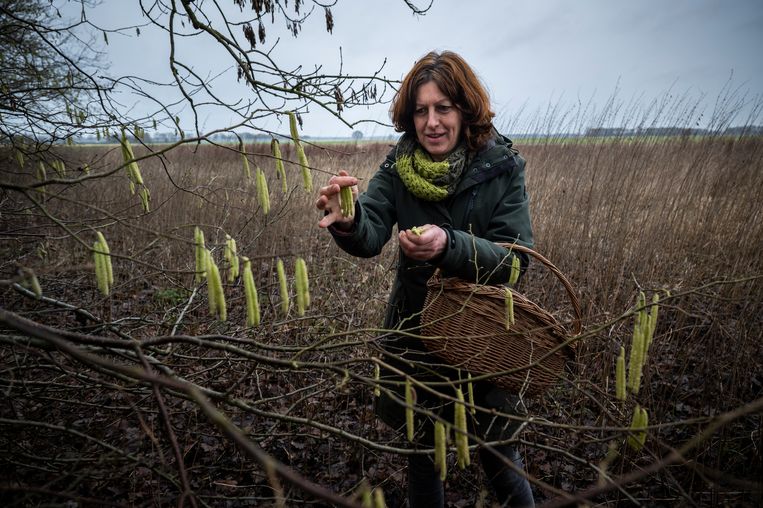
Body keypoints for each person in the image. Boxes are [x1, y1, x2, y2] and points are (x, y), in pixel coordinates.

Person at [316, 50, 535, 507]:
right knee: (423, 461)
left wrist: (449, 245)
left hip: (486, 343)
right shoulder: (399, 168)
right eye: (421, 110)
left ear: (465, 110)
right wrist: (346, 219)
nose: (431, 122)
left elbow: (515, 261)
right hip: (416, 341)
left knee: (501, 461)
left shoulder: (501, 169)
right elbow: (371, 229)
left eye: (443, 108)